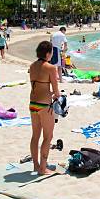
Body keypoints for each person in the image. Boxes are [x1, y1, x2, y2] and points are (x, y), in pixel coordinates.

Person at [29, 41, 60, 175]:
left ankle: (36, 165)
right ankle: (43, 168)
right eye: (51, 52)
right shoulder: (50, 67)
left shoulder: (32, 66)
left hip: (33, 104)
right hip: (44, 105)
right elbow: (56, 91)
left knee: (35, 136)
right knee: (48, 136)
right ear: (48, 53)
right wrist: (56, 95)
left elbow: (37, 86)